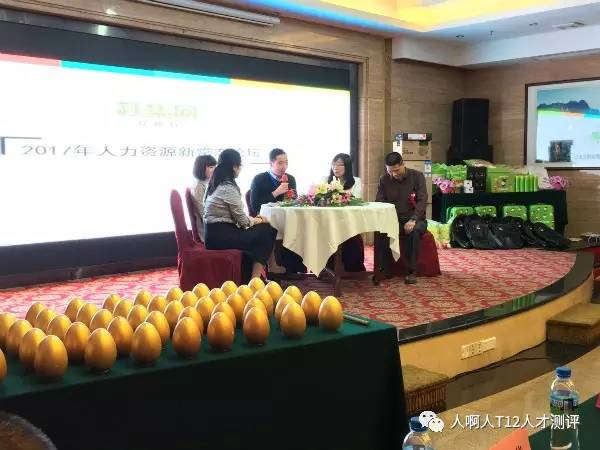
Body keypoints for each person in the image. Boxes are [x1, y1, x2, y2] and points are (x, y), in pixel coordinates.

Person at [204, 149, 277, 280]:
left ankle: (254, 277)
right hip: (221, 236)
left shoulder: (215, 183)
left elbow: (239, 219)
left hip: (213, 235)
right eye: (240, 165)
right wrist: (259, 220)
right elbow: (243, 222)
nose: (240, 169)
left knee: (260, 231)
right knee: (268, 230)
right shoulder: (227, 187)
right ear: (234, 166)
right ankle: (255, 279)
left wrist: (255, 220)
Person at [250, 148, 305, 275]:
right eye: (280, 163)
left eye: (286, 162)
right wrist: (276, 192)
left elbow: (293, 202)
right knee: (269, 229)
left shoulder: (290, 179)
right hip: (266, 220)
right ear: (271, 163)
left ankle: (296, 268)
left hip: (288, 218)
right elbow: (255, 205)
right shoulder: (259, 179)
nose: (284, 166)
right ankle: (273, 267)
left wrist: (295, 198)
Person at [376, 152, 428, 284]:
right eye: (390, 171)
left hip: (415, 218)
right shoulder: (384, 180)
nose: (394, 174)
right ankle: (385, 269)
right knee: (381, 232)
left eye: (396, 170)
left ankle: (412, 271)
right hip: (394, 219)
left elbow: (422, 200)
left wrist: (413, 219)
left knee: (414, 231)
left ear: (403, 164)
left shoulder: (417, 176)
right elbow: (380, 201)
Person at [325, 153, 365, 272]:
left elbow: (357, 199)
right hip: (330, 221)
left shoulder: (356, 181)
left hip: (349, 222)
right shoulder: (326, 180)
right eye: (334, 164)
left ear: (347, 166)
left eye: (340, 165)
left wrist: (339, 194)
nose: (335, 168)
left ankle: (352, 268)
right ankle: (329, 268)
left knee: (352, 237)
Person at [191, 154, 217, 242]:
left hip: (214, 226)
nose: (215, 169)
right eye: (211, 167)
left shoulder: (207, 183)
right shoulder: (199, 186)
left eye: (215, 166)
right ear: (201, 168)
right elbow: (204, 213)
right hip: (209, 232)